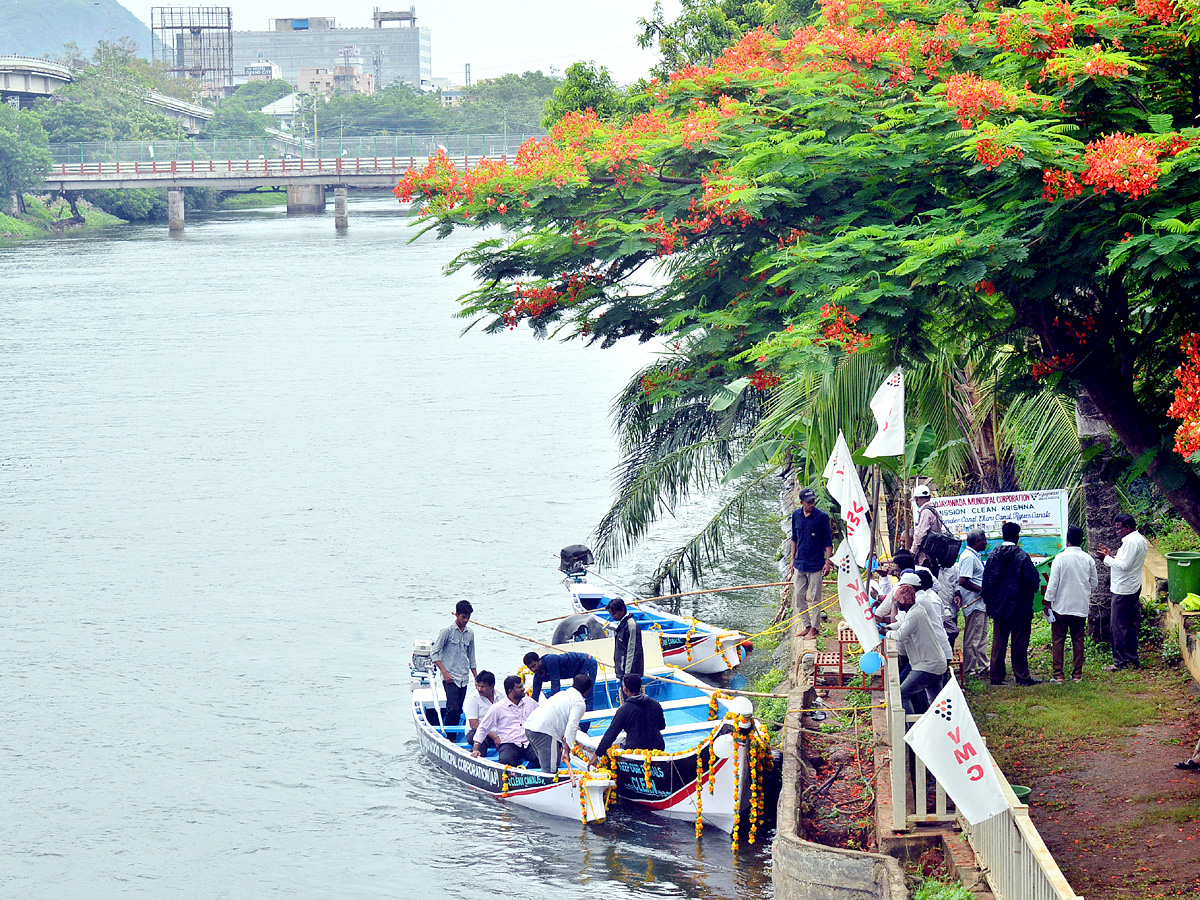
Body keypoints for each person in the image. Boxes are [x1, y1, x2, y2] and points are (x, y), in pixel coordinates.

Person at [983, 521, 1042, 686]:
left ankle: (996, 676)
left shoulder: (993, 555)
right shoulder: (1022, 556)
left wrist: (989, 602)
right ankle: (1022, 676)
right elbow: (1033, 580)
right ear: (1017, 536)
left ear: (1003, 535)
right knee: (1019, 642)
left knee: (999, 641)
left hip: (999, 606)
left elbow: (986, 581)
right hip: (1019, 607)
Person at [886, 579, 949, 715]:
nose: (896, 604)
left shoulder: (915, 615)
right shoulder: (917, 610)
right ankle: (936, 726)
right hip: (937, 663)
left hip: (927, 666)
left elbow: (900, 635)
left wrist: (886, 633)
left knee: (902, 694)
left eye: (897, 601)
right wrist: (889, 627)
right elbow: (902, 623)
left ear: (902, 601)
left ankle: (911, 729)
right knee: (936, 702)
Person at [1044, 525, 1098, 683]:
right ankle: (1077, 675)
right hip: (1080, 607)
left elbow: (1053, 583)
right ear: (1082, 541)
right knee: (1078, 640)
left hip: (1061, 606)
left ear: (1067, 540)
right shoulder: (1088, 559)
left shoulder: (1060, 558)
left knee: (1058, 640)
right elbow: (1094, 583)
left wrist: (1047, 601)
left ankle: (1058, 675)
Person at [1096, 513, 1149, 671]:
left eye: (1119, 528)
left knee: (1118, 626)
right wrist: (1111, 556)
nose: (1116, 531)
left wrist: (1105, 559)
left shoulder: (1131, 542)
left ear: (1127, 527)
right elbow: (1125, 562)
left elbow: (1124, 565)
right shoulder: (1137, 539)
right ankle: (1132, 658)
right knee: (1130, 624)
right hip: (1131, 586)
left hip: (1123, 589)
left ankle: (1120, 662)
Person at [789, 487, 834, 639]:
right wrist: (792, 559)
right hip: (800, 563)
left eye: (813, 501)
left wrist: (827, 562)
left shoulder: (822, 517)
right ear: (802, 502)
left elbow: (828, 541)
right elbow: (794, 538)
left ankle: (815, 628)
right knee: (799, 596)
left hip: (816, 564)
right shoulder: (796, 515)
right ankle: (806, 625)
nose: (812, 504)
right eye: (808, 502)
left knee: (815, 597)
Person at [524, 673, 592, 773]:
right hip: (544, 731)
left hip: (530, 728)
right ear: (588, 690)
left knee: (552, 763)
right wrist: (567, 752)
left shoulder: (563, 694)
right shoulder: (579, 702)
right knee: (550, 771)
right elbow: (571, 727)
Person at [591, 674, 667, 763]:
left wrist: (597, 754)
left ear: (626, 690)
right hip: (657, 748)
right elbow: (662, 726)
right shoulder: (655, 704)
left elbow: (611, 734)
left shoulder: (624, 710)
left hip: (635, 751)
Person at [471, 674, 539, 766]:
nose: (523, 689)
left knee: (542, 758)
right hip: (509, 743)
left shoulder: (530, 702)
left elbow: (543, 716)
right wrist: (476, 749)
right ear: (511, 691)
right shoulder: (497, 707)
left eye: (522, 686)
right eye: (519, 687)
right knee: (505, 761)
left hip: (529, 742)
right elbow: (483, 728)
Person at [430, 600, 477, 727]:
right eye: (463, 617)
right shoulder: (447, 632)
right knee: (452, 708)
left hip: (464, 677)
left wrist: (476, 677)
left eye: (468, 617)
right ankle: (449, 738)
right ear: (456, 614)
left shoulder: (470, 633)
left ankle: (454, 734)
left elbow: (471, 657)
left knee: (459, 708)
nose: (466, 620)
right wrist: (444, 672)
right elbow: (434, 653)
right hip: (450, 677)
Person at [957, 531, 990, 681]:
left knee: (982, 635)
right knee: (973, 637)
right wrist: (981, 590)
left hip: (980, 603)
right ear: (977, 541)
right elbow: (963, 580)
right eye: (984, 540)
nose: (986, 543)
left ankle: (983, 666)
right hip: (974, 603)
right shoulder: (969, 557)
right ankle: (969, 669)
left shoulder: (974, 556)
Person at [524, 650, 599, 710]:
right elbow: (534, 698)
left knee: (586, 695)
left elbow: (555, 685)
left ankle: (584, 727)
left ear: (539, 660)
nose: (533, 669)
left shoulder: (550, 660)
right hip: (576, 671)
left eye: (534, 665)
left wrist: (552, 707)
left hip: (587, 663)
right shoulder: (538, 675)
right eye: (530, 668)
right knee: (577, 697)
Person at [910, 484, 949, 574]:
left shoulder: (925, 512)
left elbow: (920, 534)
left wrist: (913, 551)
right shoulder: (935, 511)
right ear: (930, 497)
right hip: (934, 554)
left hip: (926, 556)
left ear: (916, 499)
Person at [610, 597, 644, 680]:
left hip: (630, 674)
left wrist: (627, 675)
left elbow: (632, 651)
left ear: (622, 610)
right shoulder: (621, 625)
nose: (613, 617)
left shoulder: (631, 625)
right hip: (622, 671)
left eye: (614, 614)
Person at [463, 670, 496, 747]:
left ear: (492, 686)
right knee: (480, 739)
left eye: (483, 686)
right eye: (478, 686)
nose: (479, 689)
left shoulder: (501, 696)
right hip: (476, 731)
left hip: (496, 731)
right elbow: (474, 725)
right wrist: (494, 736)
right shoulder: (473, 698)